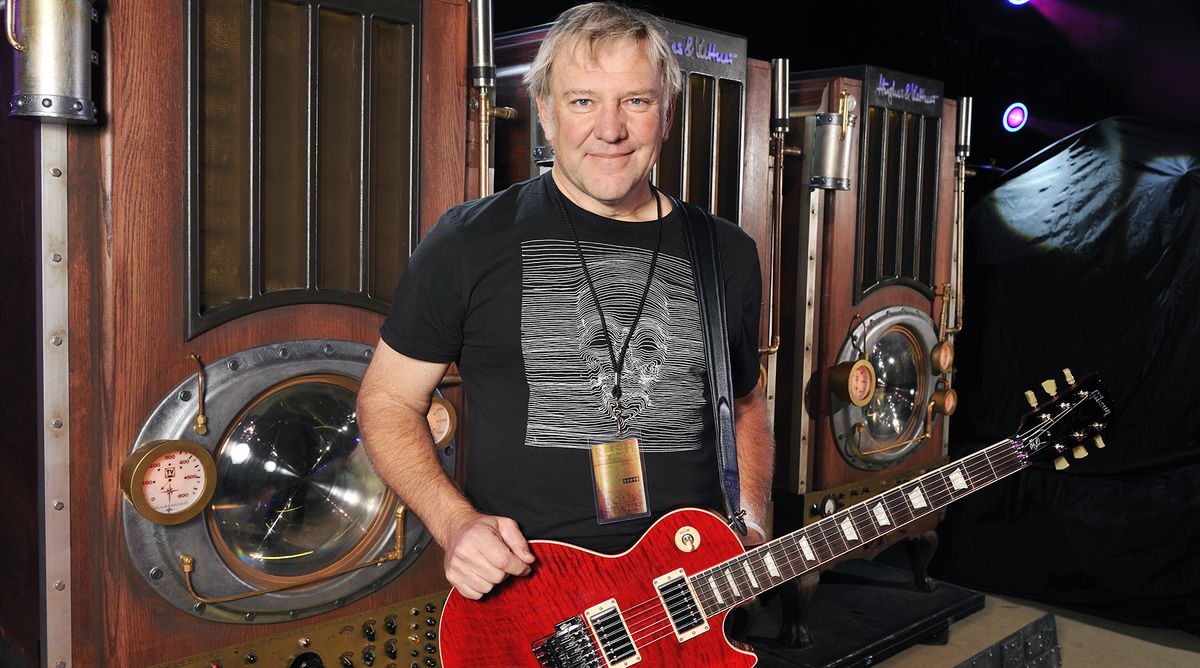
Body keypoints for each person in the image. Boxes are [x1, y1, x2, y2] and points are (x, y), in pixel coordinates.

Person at [357, 1, 774, 601]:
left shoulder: (727, 251)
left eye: (636, 100)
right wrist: (455, 523)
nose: (610, 129)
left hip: (691, 600)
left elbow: (744, 404)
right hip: (532, 606)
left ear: (668, 115)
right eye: (583, 101)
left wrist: (752, 523)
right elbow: (388, 400)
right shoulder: (469, 239)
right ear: (547, 115)